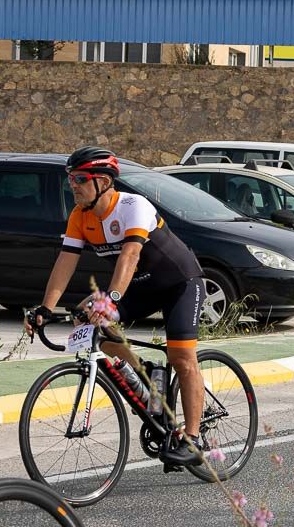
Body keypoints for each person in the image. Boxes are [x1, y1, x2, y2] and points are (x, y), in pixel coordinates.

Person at [24, 147, 209, 466]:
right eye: (71, 179)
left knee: (181, 356)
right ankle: (145, 375)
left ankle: (193, 438)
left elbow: (130, 256)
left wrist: (110, 299)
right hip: (142, 286)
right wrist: (45, 308)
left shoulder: (133, 206)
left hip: (181, 283)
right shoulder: (80, 217)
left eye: (81, 178)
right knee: (86, 323)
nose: (73, 185)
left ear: (104, 182)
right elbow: (65, 262)